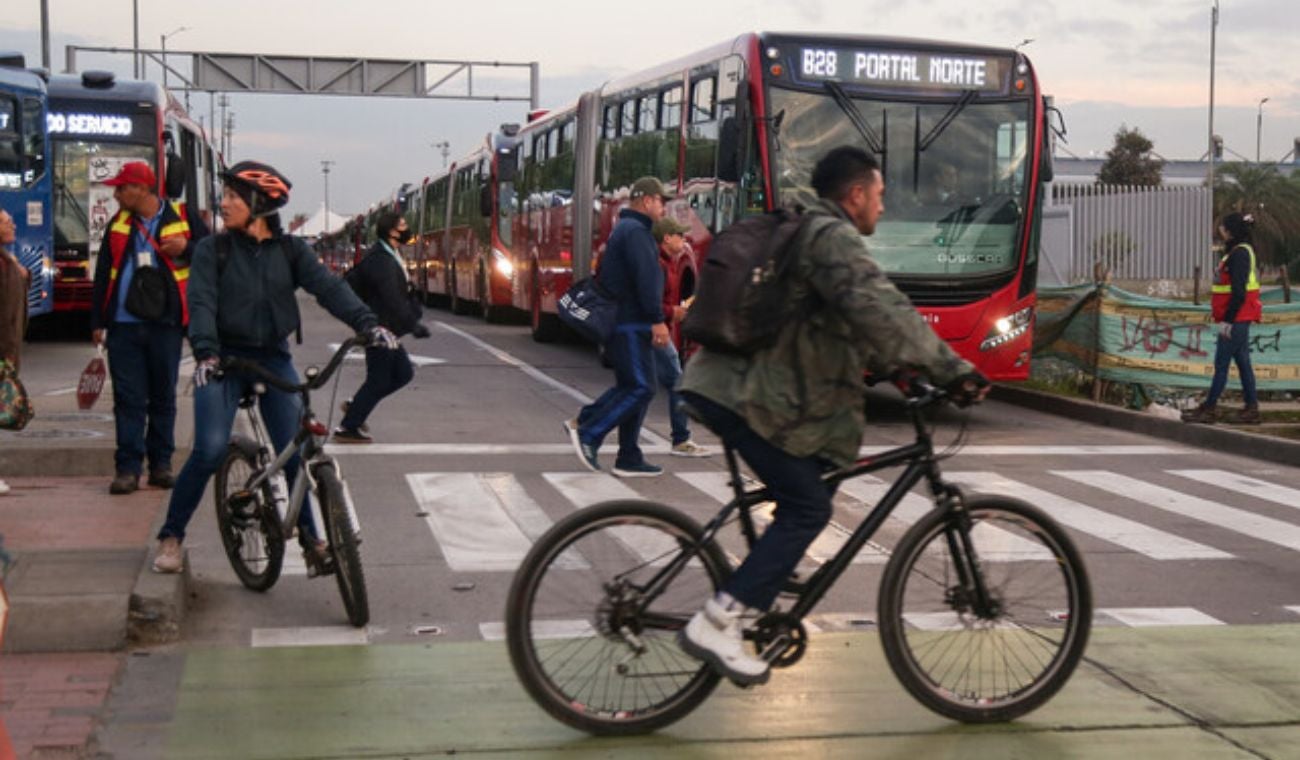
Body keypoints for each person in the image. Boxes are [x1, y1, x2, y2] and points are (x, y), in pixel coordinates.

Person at [677, 146, 989, 685]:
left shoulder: (812, 233)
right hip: (744, 396)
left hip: (739, 389)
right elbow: (878, 306)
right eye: (881, 196)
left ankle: (766, 576)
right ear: (856, 194)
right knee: (808, 508)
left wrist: (900, 368)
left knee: (810, 483)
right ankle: (720, 620)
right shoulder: (832, 237)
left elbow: (841, 326)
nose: (883, 209)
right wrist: (951, 369)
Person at [152, 161, 397, 574]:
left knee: (295, 450)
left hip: (272, 357)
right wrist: (207, 354)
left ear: (259, 205)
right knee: (209, 449)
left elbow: (329, 288)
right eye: (225, 195)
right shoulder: (215, 249)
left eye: (233, 197)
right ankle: (171, 536)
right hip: (224, 360)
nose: (224, 203)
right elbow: (201, 303)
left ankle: (311, 541)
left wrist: (367, 324)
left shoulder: (292, 251)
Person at [89, 162, 210, 495]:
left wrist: (187, 248)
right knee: (128, 399)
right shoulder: (119, 223)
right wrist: (98, 320)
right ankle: (127, 469)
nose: (115, 194)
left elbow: (215, 255)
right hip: (124, 327)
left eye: (121, 188)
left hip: (166, 325)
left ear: (141, 189)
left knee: (162, 397)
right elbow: (103, 274)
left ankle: (161, 465)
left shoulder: (182, 216)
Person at [563, 176, 673, 477]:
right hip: (630, 322)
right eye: (661, 201)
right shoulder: (637, 232)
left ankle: (629, 455)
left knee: (636, 386)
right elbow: (645, 281)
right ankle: (589, 432)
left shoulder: (626, 229)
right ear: (647, 200)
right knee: (640, 387)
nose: (664, 208)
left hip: (626, 321)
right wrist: (657, 320)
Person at [334, 209, 430, 442]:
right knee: (380, 379)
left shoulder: (390, 255)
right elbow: (391, 297)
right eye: (403, 225)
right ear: (391, 231)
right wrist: (413, 324)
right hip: (378, 329)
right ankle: (349, 426)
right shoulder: (381, 260)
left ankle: (357, 407)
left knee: (403, 373)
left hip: (387, 330)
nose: (407, 229)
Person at [1182, 212, 1262, 425]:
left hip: (1236, 319)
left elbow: (1238, 292)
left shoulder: (1240, 255)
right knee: (1243, 362)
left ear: (1231, 230)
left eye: (1223, 228)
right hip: (1239, 318)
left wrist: (1227, 320)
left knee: (1222, 363)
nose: (1220, 231)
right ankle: (1251, 408)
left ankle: (1210, 408)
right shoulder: (1238, 252)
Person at [650, 216, 710, 457]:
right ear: (666, 238)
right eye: (679, 235)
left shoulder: (665, 262)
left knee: (641, 389)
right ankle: (681, 439)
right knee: (676, 381)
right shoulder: (659, 265)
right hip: (655, 332)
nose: (684, 239)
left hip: (653, 330)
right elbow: (651, 303)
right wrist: (673, 312)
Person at [0, 208, 28, 498]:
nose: (13, 226)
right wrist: (7, 355)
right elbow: (6, 315)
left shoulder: (8, 262)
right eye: (7, 223)